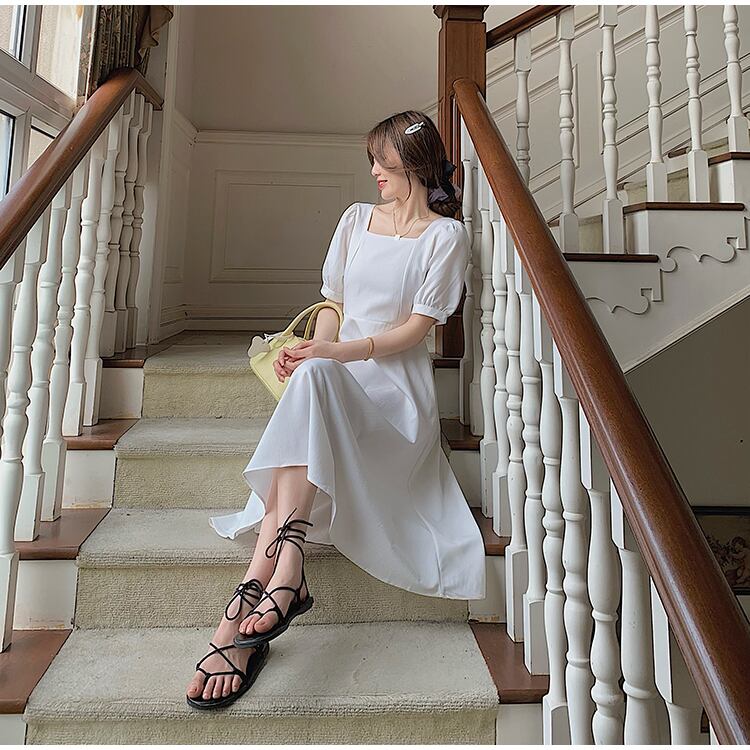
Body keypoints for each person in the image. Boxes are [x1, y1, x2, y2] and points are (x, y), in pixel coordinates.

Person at [186, 111, 487, 709]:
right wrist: (312, 349)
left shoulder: (445, 237)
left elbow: (416, 331)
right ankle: (284, 568)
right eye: (371, 160)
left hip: (395, 401)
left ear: (415, 163)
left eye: (383, 160)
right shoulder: (355, 220)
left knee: (319, 375)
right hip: (333, 378)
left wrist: (335, 353)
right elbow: (333, 305)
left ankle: (249, 599)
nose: (373, 170)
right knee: (315, 376)